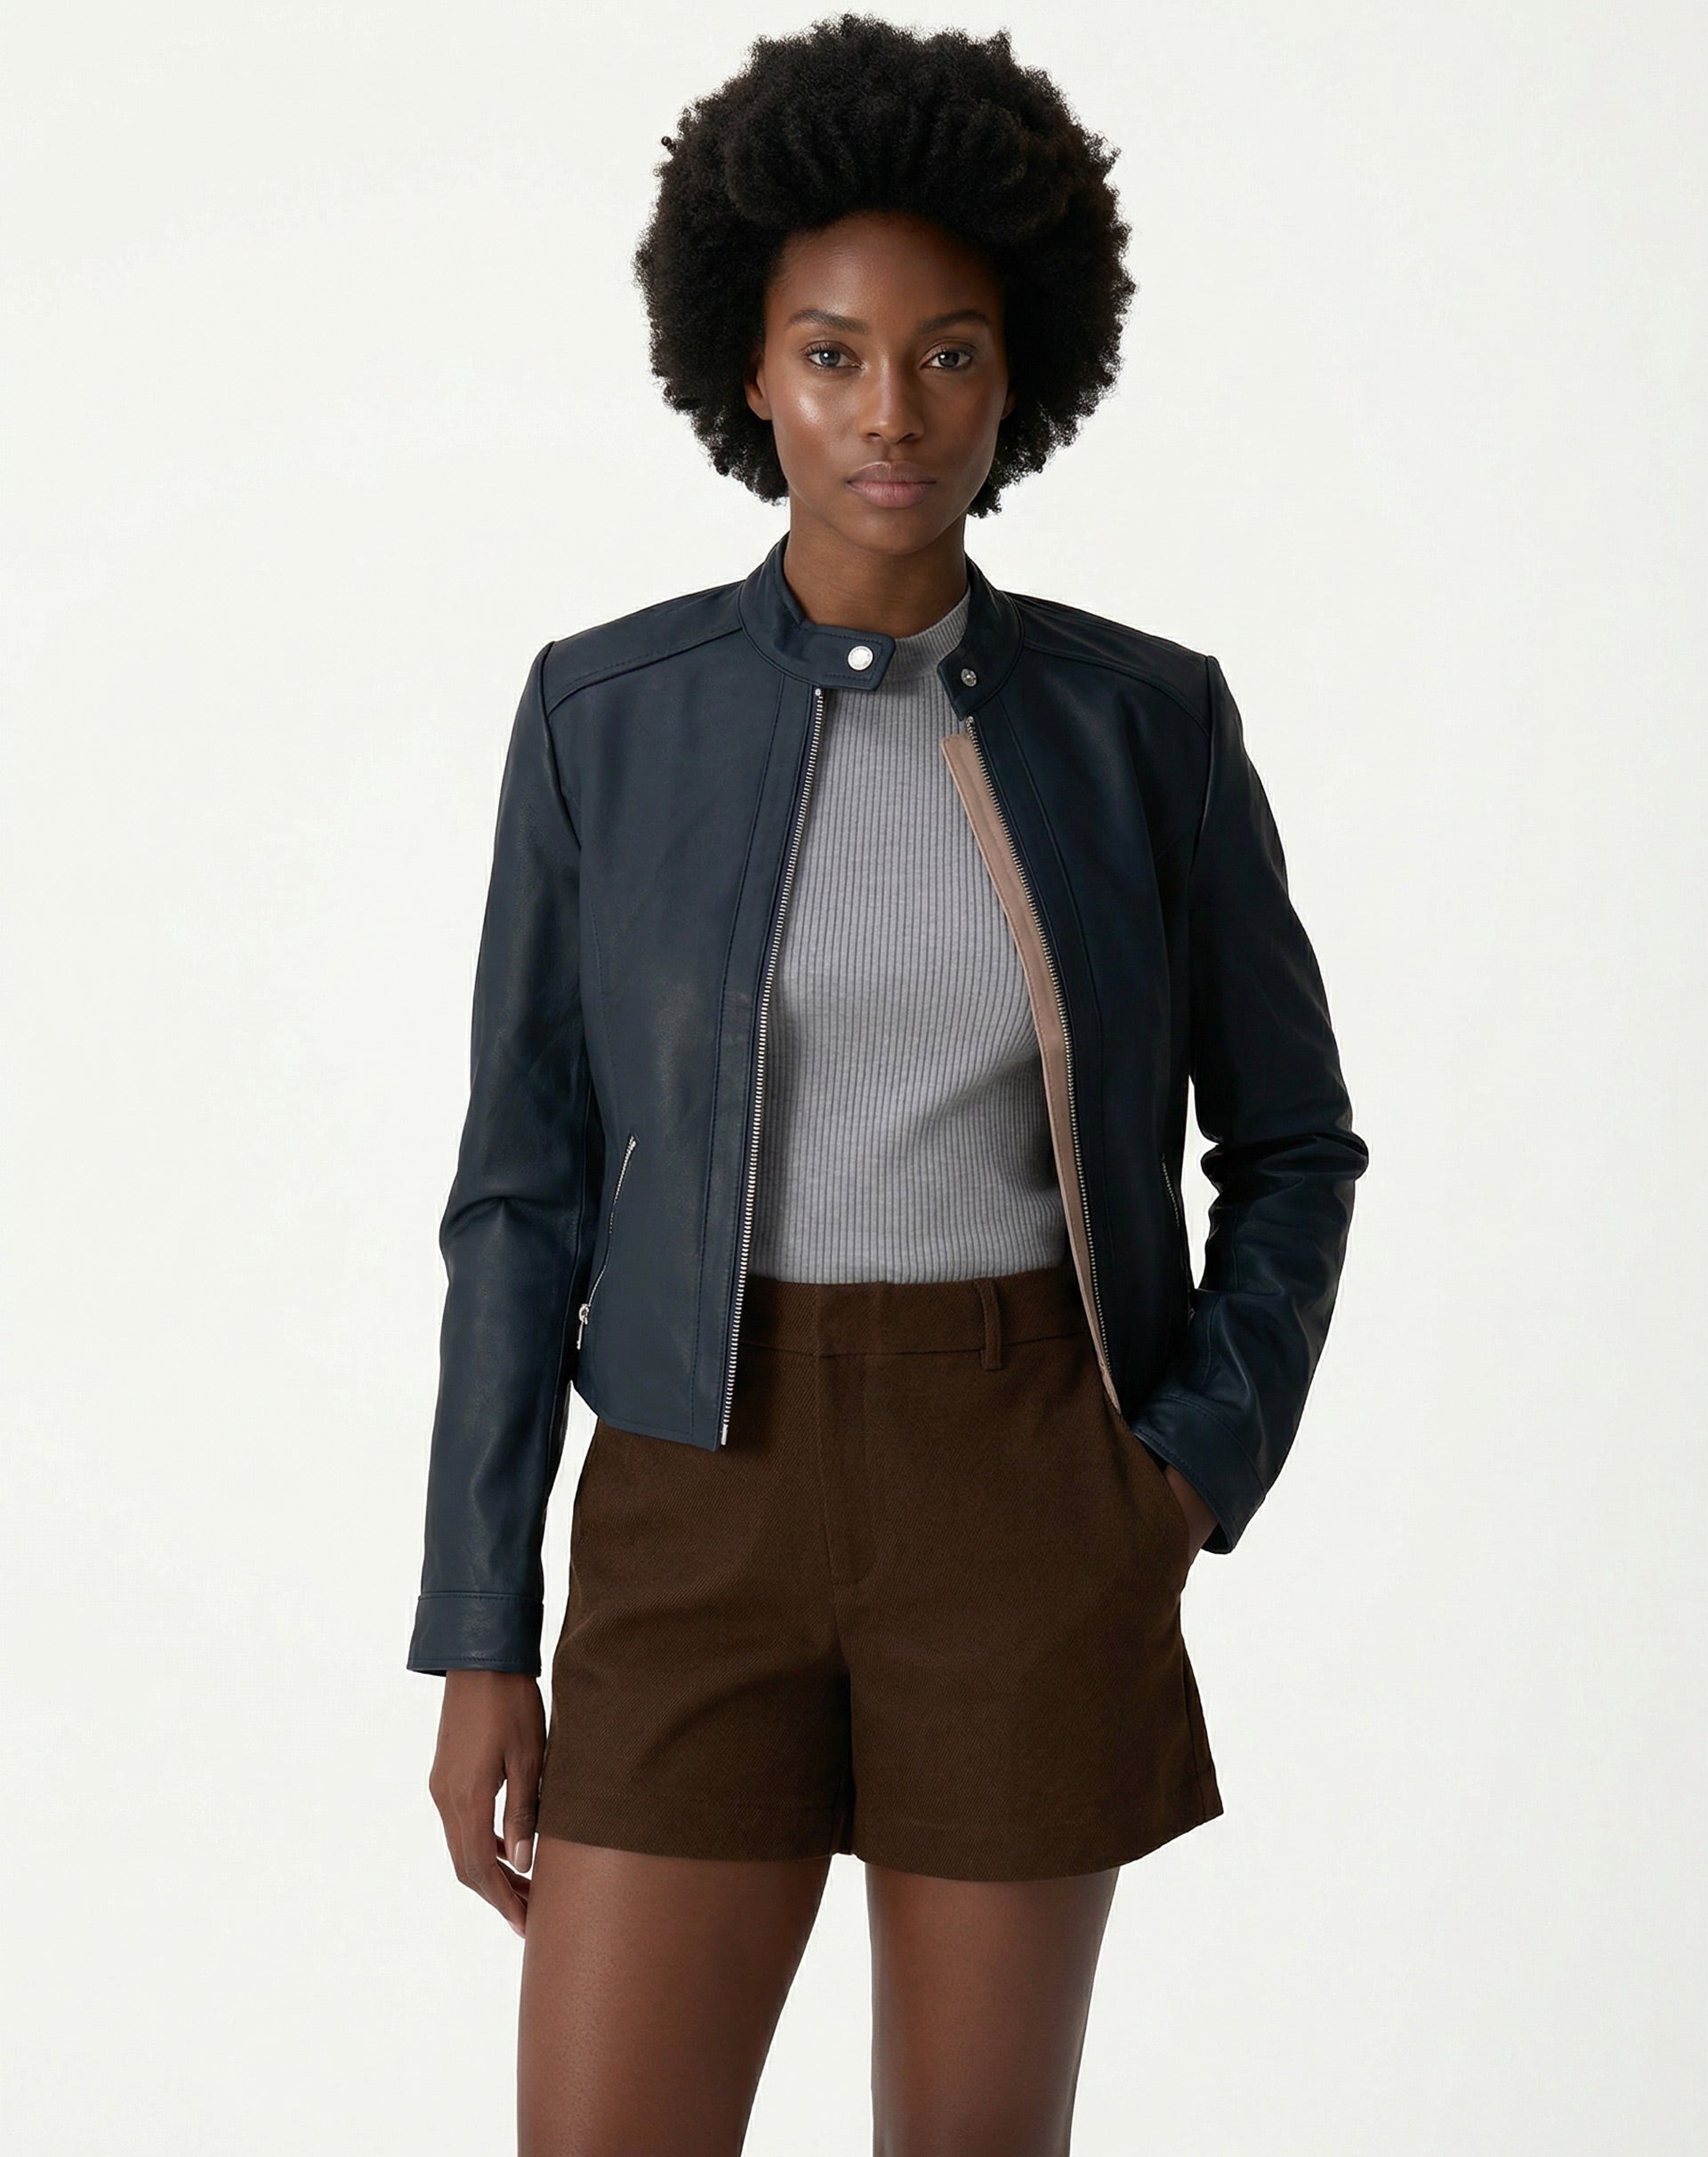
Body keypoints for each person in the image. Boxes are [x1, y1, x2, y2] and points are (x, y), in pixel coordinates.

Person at [407, 16, 1370, 2153]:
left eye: (947, 354)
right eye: (832, 354)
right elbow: (521, 1196)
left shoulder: (1148, 729)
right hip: (690, 1495)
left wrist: (1179, 1475)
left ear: (1023, 376)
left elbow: (1294, 1145)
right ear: (747, 372)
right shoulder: (603, 717)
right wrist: (480, 1629)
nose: (892, 412)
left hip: (1029, 1485)